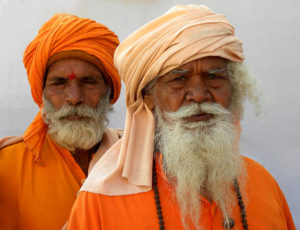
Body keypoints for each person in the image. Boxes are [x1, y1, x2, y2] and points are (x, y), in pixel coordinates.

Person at [67, 5, 295, 230]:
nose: (199, 95)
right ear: (149, 97)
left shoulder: (264, 185)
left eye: (213, 76)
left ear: (232, 89)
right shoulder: (101, 198)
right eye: (179, 79)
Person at [0, 13, 123, 230]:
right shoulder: (5, 166)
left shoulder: (134, 158)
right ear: (42, 94)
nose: (74, 97)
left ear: (109, 91)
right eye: (59, 83)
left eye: (88, 82)